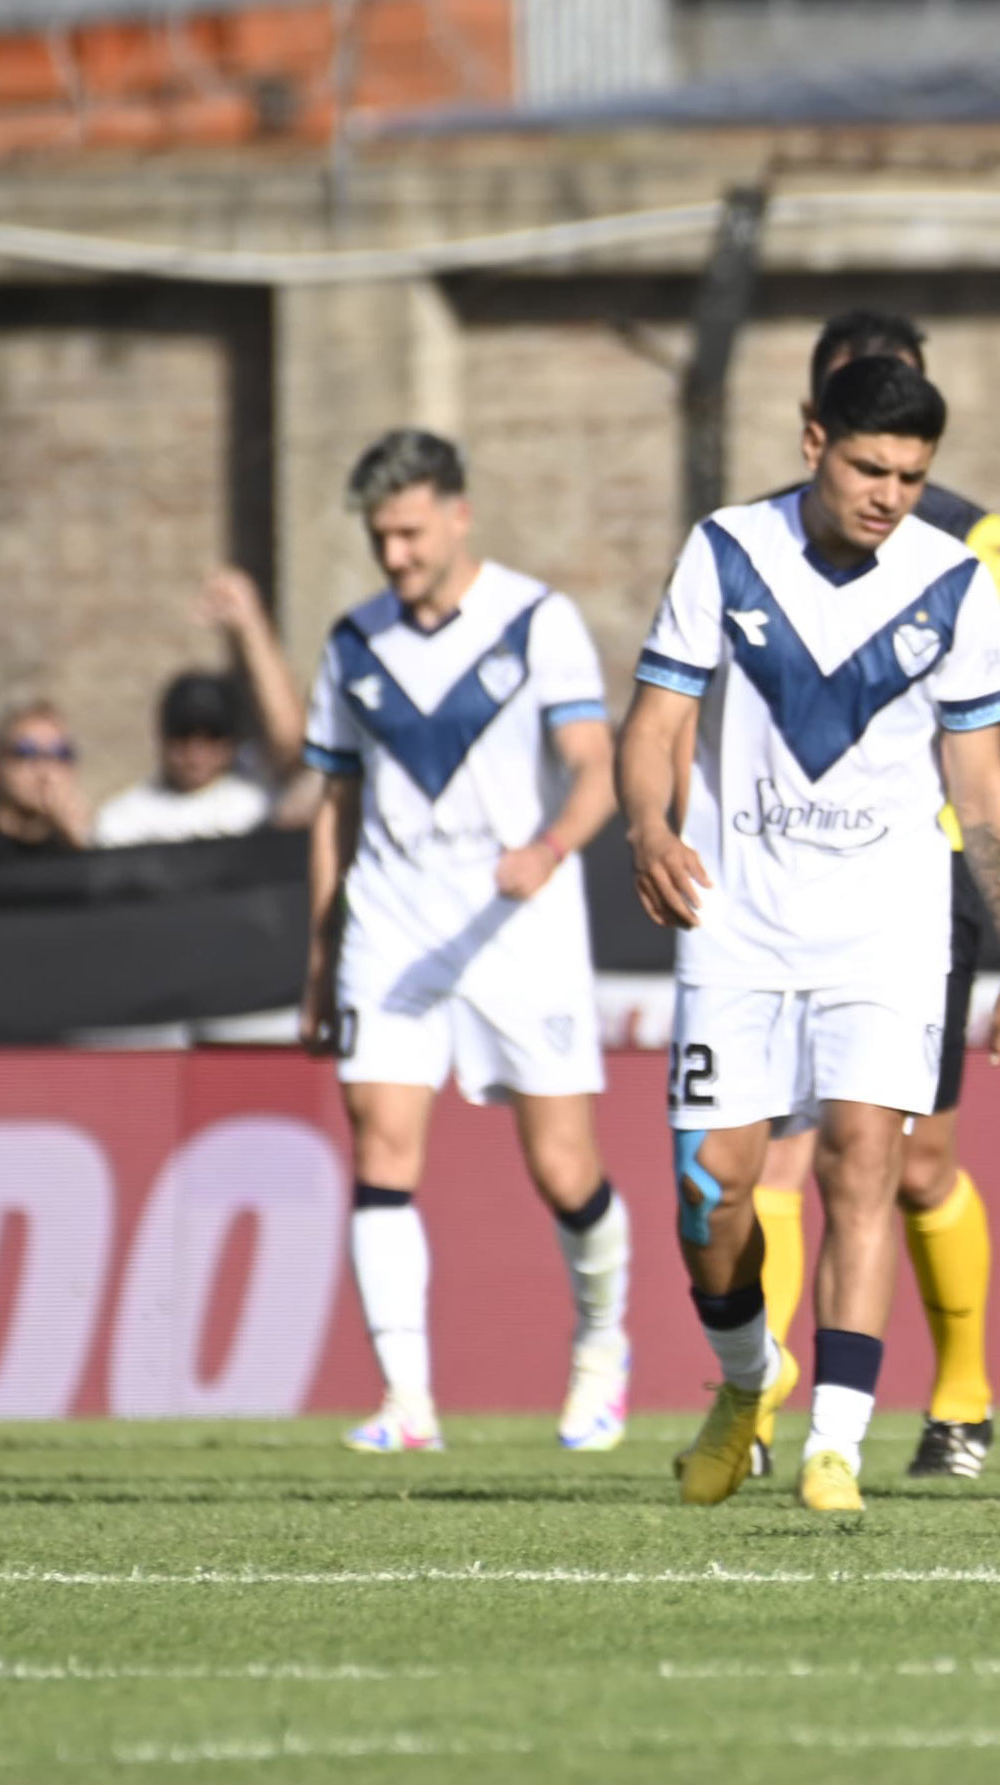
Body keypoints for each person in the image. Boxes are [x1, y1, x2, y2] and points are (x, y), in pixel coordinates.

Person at [620, 354, 1000, 1517]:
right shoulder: (724, 552)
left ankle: (836, 1445)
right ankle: (745, 1381)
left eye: (913, 476)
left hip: (889, 924)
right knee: (711, 1198)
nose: (890, 495)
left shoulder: (955, 584)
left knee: (868, 1158)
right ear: (814, 439)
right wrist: (646, 826)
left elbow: (984, 785)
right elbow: (656, 714)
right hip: (739, 920)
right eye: (870, 467)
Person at [734, 310, 1000, 1485]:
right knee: (768, 1158)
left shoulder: (970, 539)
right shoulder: (754, 545)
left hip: (923, 878)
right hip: (779, 881)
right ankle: (760, 1408)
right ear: (818, 424)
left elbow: (988, 705)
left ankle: (960, 1394)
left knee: (911, 1161)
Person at [299, 431, 632, 1454]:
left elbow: (595, 770)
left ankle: (602, 1342)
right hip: (395, 924)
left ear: (456, 513)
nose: (393, 554)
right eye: (379, 536)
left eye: (407, 531)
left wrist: (547, 849)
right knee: (381, 1143)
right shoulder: (353, 642)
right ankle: (408, 1401)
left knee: (561, 1165)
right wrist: (324, 948)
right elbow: (334, 806)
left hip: (516, 921)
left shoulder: (537, 622)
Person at [94, 673, 273, 844]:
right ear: (162, 739)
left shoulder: (259, 809)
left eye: (212, 736)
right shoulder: (122, 820)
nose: (195, 752)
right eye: (182, 735)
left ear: (232, 743)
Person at [0, 702, 92, 855]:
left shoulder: (72, 848)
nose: (46, 771)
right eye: (27, 752)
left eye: (61, 754)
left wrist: (80, 844)